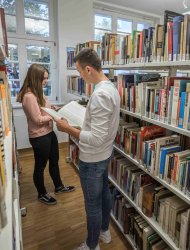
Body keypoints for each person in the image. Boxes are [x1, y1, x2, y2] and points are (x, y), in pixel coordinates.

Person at [55, 49, 120, 250]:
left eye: (80, 71)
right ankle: (105, 233)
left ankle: (92, 246)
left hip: (93, 158)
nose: (80, 75)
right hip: (105, 154)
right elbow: (102, 127)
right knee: (103, 195)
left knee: (92, 204)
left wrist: (68, 129)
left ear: (89, 69)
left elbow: (97, 138)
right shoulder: (111, 88)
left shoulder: (100, 95)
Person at [18, 64, 75, 205]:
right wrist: (54, 116)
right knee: (40, 166)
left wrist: (55, 109)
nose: (45, 81)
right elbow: (37, 120)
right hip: (39, 136)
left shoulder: (38, 92)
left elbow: (45, 109)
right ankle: (41, 193)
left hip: (49, 133)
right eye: (44, 78)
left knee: (54, 161)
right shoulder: (29, 96)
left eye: (47, 78)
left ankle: (59, 187)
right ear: (35, 78)